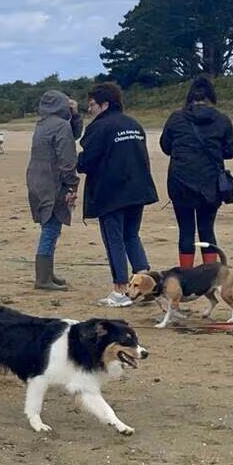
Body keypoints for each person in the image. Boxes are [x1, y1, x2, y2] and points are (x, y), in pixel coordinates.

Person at [76, 81, 158, 307]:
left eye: (92, 104)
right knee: (131, 235)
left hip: (112, 192)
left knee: (115, 239)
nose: (89, 109)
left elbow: (87, 161)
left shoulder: (100, 127)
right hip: (138, 189)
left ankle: (121, 289)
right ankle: (145, 285)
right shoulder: (134, 124)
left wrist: (76, 162)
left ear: (104, 104)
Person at [159, 75, 233, 268]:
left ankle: (187, 274)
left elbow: (166, 146)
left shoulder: (176, 118)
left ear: (190, 96)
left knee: (185, 230)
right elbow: (231, 151)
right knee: (207, 229)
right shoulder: (222, 120)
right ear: (211, 97)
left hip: (180, 183)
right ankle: (210, 272)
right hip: (211, 184)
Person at [26, 90, 83, 290]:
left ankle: (48, 274)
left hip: (36, 180)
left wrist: (74, 116)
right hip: (52, 183)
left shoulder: (42, 124)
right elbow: (67, 158)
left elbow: (72, 135)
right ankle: (43, 279)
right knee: (50, 229)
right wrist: (72, 184)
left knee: (49, 226)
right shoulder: (60, 126)